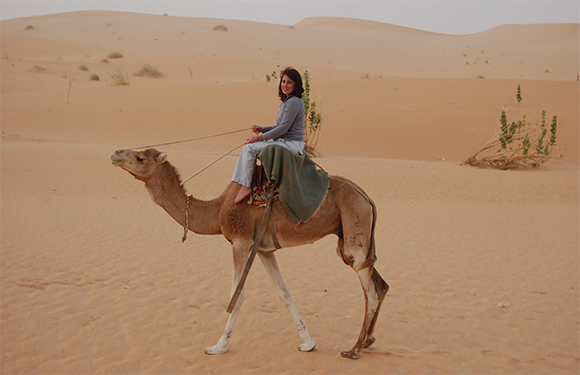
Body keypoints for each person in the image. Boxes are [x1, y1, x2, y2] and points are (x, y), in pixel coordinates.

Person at [232, 67, 305, 204]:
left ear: (296, 84)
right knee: (249, 147)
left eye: (289, 82)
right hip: (285, 141)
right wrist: (264, 129)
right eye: (283, 81)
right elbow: (281, 126)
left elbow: (283, 128)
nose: (285, 85)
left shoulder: (294, 102)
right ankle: (246, 183)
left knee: (249, 149)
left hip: (291, 144)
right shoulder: (287, 101)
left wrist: (259, 137)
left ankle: (245, 186)